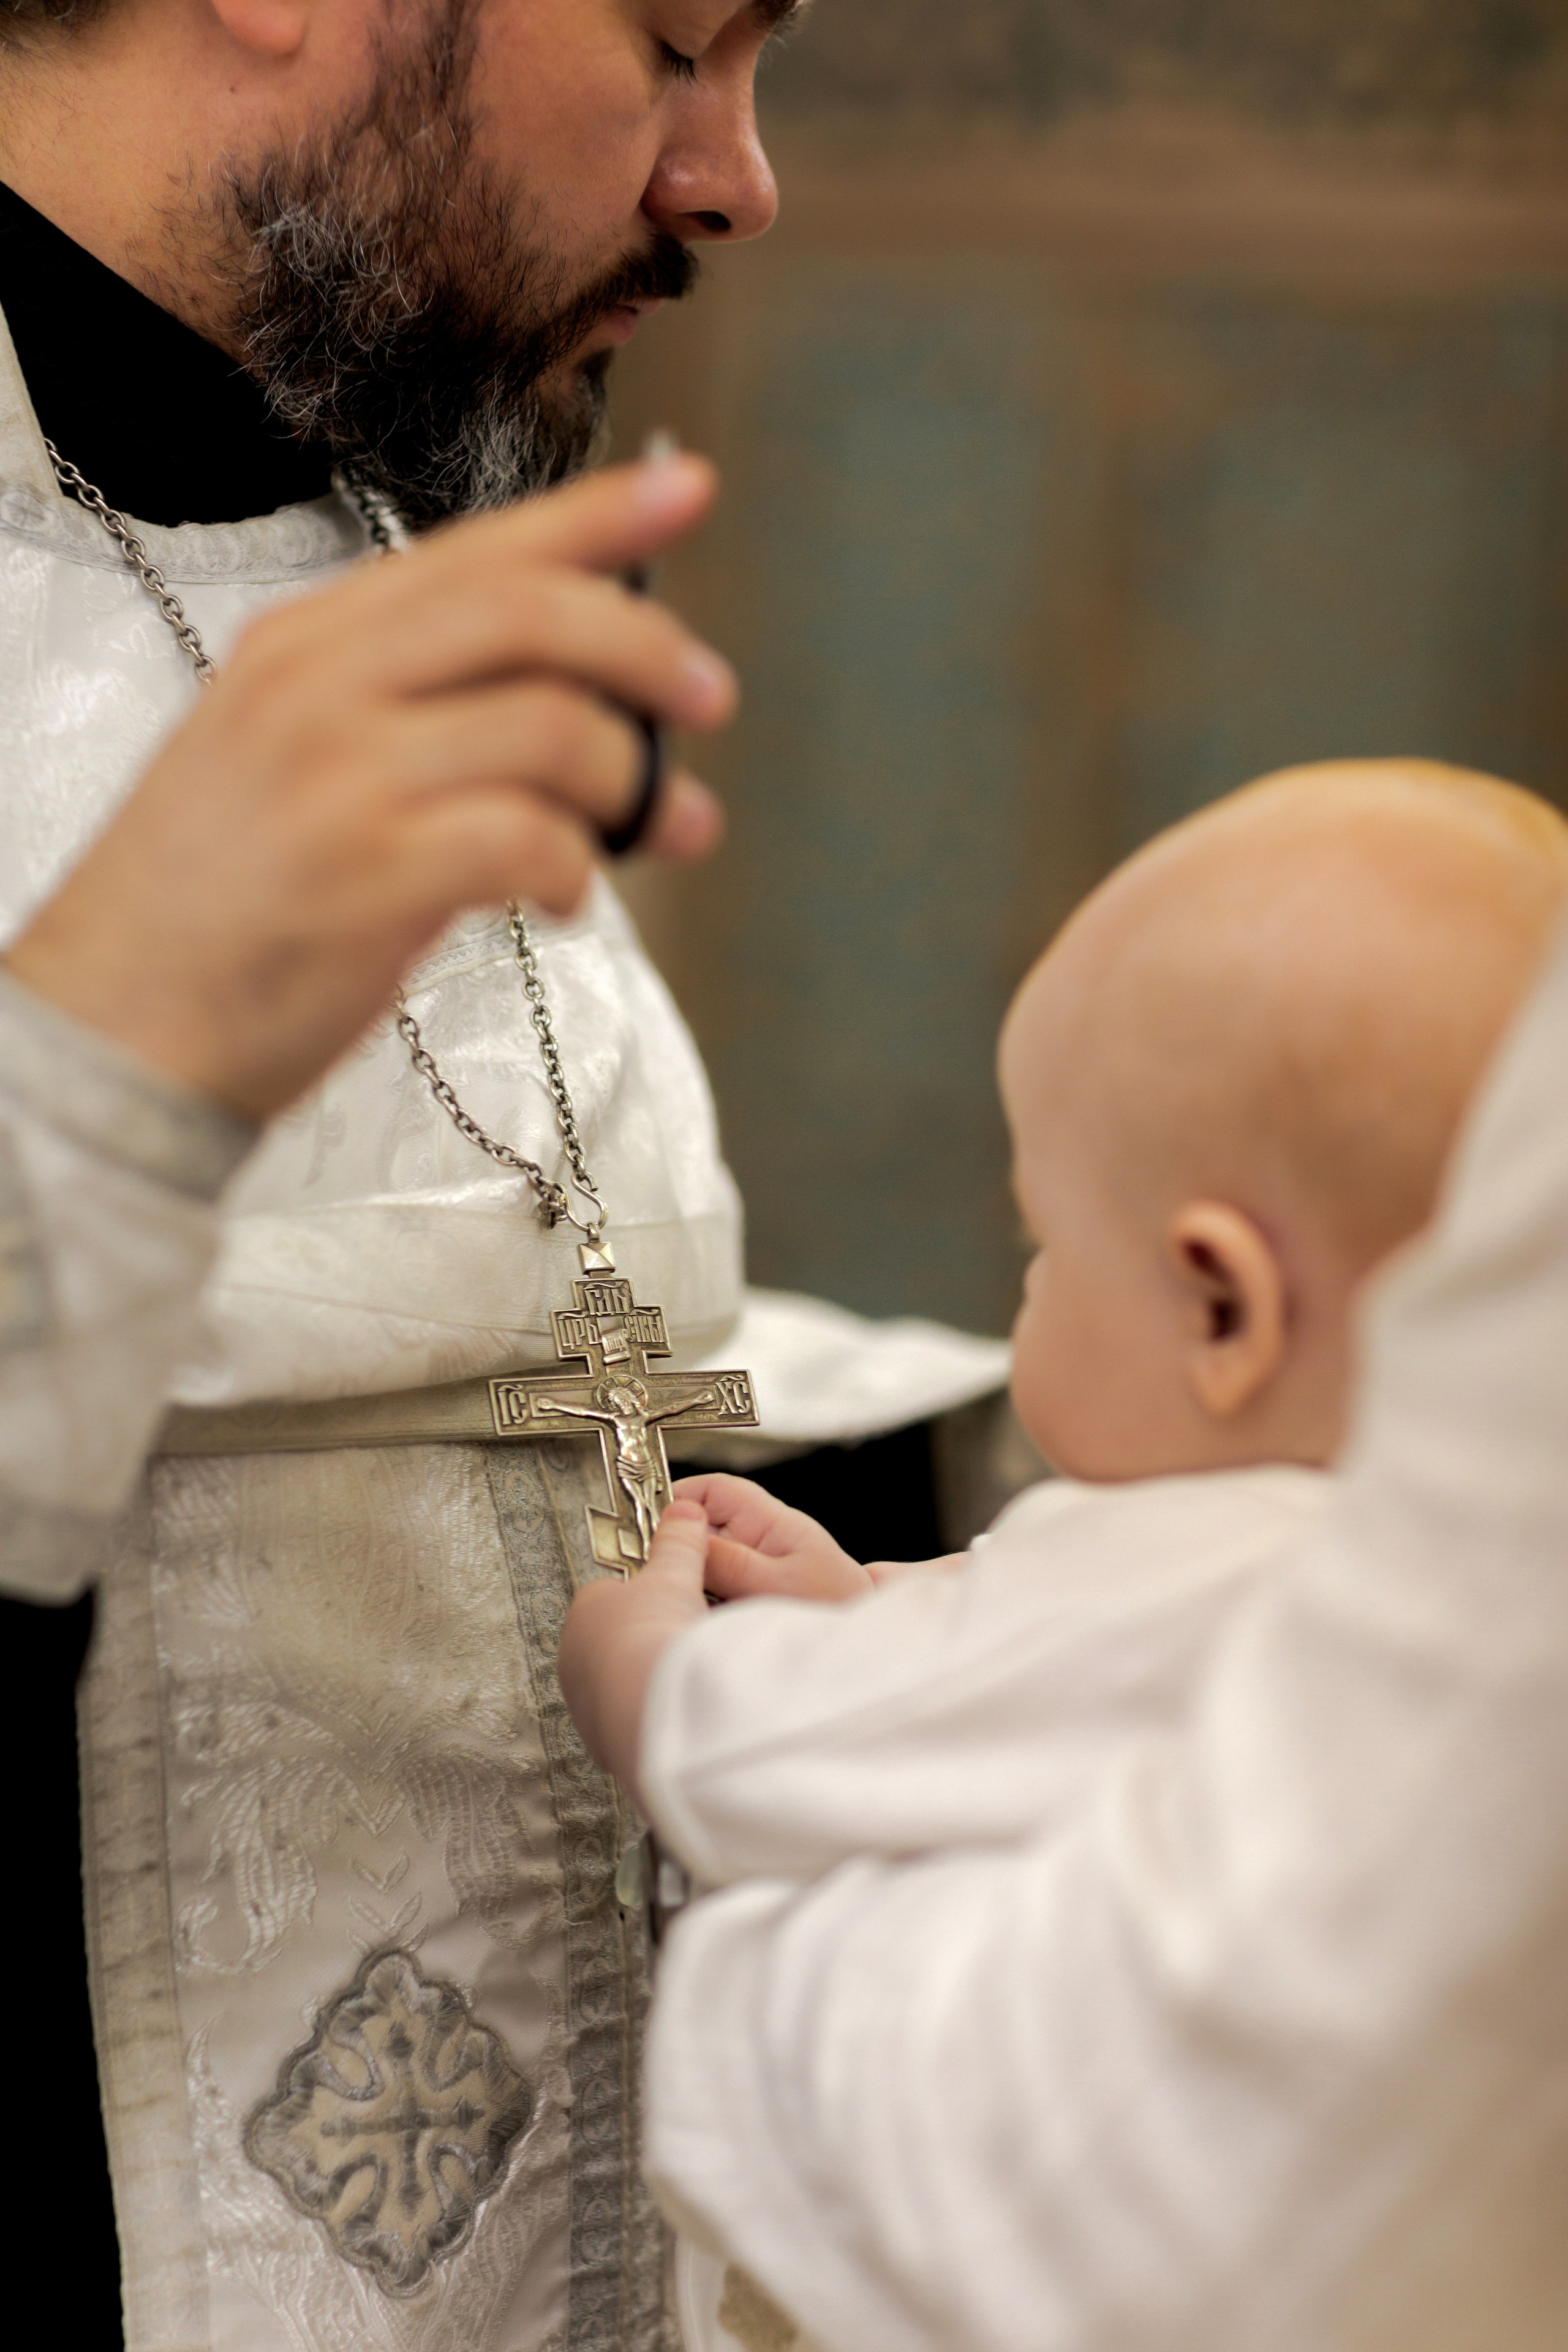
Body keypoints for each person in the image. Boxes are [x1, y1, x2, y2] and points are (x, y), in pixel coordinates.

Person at [0, 6, 1009, 2350]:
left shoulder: (393, 490)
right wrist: (101, 1067)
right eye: (675, 39)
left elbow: (527, 1337)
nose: (738, 181)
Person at [561, 759, 1568, 2352]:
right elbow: (1006, 1718)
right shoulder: (1421, 1585)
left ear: (1219, 1307)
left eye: (1046, 1245)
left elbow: (778, 1755)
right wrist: (862, 1604)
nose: (1031, 1287)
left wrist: (651, 1678)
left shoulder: (1141, 1562)